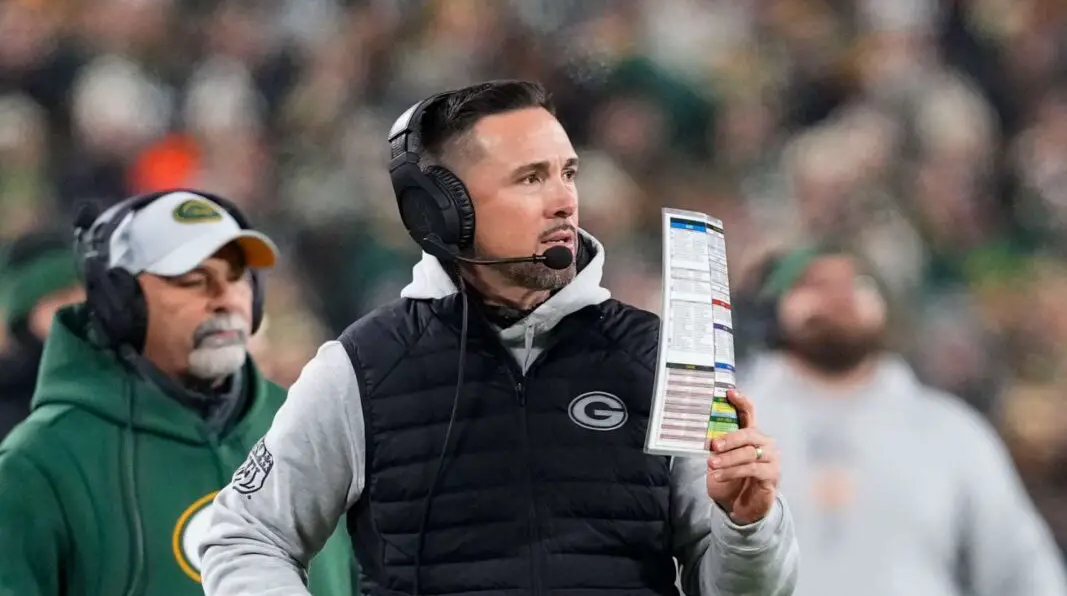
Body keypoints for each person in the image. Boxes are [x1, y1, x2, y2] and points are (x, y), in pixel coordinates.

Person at [200, 80, 799, 595]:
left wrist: (748, 527)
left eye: (569, 172)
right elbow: (244, 536)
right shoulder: (361, 368)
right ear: (441, 211)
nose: (565, 200)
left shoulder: (661, 357)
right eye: (531, 178)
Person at [0, 190, 353, 595]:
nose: (226, 299)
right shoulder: (39, 464)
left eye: (237, 277)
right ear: (121, 301)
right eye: (193, 280)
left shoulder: (312, 427)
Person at [736, 243, 1067, 596]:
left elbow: (1021, 568)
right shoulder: (735, 417)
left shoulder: (951, 430)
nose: (839, 296)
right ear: (771, 310)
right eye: (813, 284)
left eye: (857, 283)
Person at [0, 229, 85, 439]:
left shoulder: (124, 373)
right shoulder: (11, 400)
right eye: (60, 299)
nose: (77, 306)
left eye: (82, 293)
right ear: (27, 317)